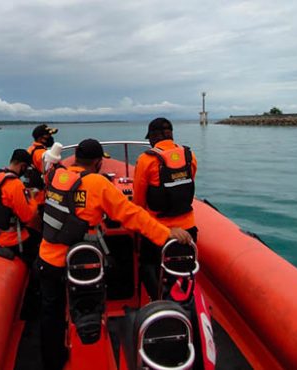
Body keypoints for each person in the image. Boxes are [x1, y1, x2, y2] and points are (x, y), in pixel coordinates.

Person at [36, 138, 193, 370]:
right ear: (99, 163)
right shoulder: (98, 184)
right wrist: (166, 233)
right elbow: (131, 215)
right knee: (90, 308)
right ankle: (95, 352)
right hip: (79, 265)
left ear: (76, 158)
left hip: (46, 259)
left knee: (50, 314)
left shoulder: (55, 176)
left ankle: (54, 362)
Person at [133, 117, 198, 300]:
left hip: (158, 230)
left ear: (153, 137)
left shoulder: (146, 159)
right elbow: (188, 184)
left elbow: (138, 201)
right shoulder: (189, 155)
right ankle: (183, 298)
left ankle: (158, 300)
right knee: (184, 268)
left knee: (146, 265)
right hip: (188, 227)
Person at [0, 149, 39, 261]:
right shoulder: (16, 185)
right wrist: (31, 198)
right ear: (23, 166)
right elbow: (27, 217)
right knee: (39, 245)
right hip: (11, 239)